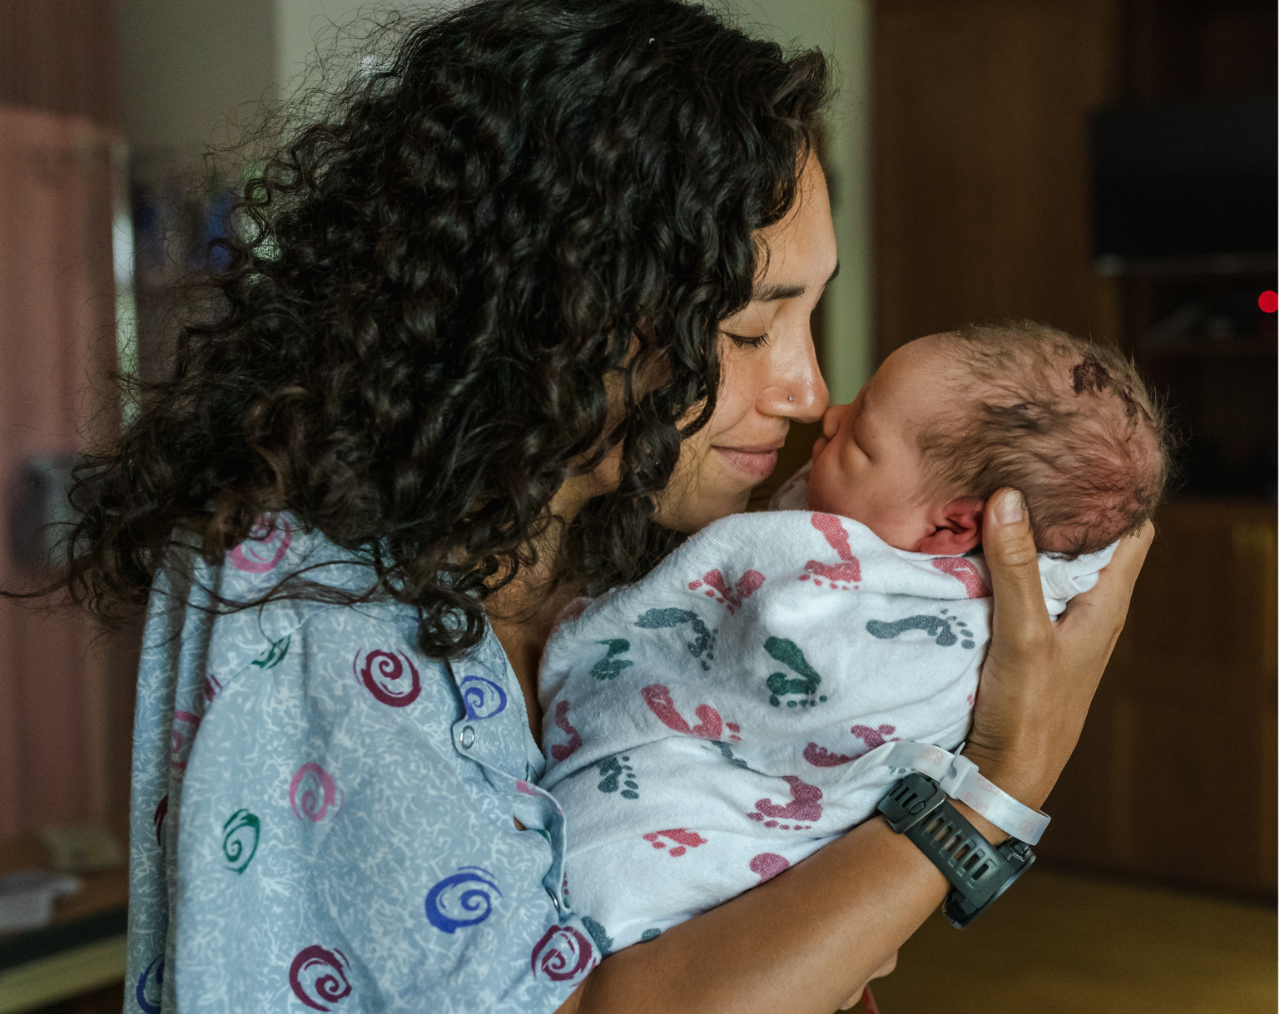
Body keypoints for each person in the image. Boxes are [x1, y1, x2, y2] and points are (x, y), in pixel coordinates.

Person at [56, 2, 1153, 1012]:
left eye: (806, 318)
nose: (808, 393)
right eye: (743, 333)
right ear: (560, 309)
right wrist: (990, 795)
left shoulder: (629, 545)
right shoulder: (320, 603)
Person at [537, 324, 1170, 952]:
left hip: (693, 858)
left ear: (953, 527)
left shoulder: (945, 628)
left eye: (862, 440)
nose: (829, 415)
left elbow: (790, 655)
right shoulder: (880, 531)